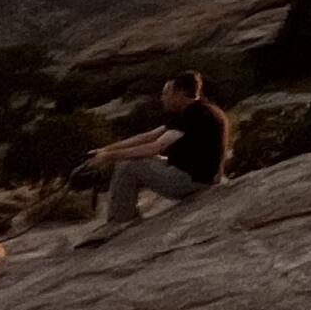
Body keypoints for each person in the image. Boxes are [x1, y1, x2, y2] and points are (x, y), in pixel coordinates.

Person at [71, 71, 229, 248]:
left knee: (129, 166)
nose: (162, 98)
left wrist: (108, 157)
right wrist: (105, 150)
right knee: (132, 160)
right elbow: (148, 136)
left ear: (180, 93)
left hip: (193, 181)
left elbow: (154, 147)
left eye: (166, 93)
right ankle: (124, 217)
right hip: (194, 174)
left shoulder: (197, 115)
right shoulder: (196, 110)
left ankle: (121, 221)